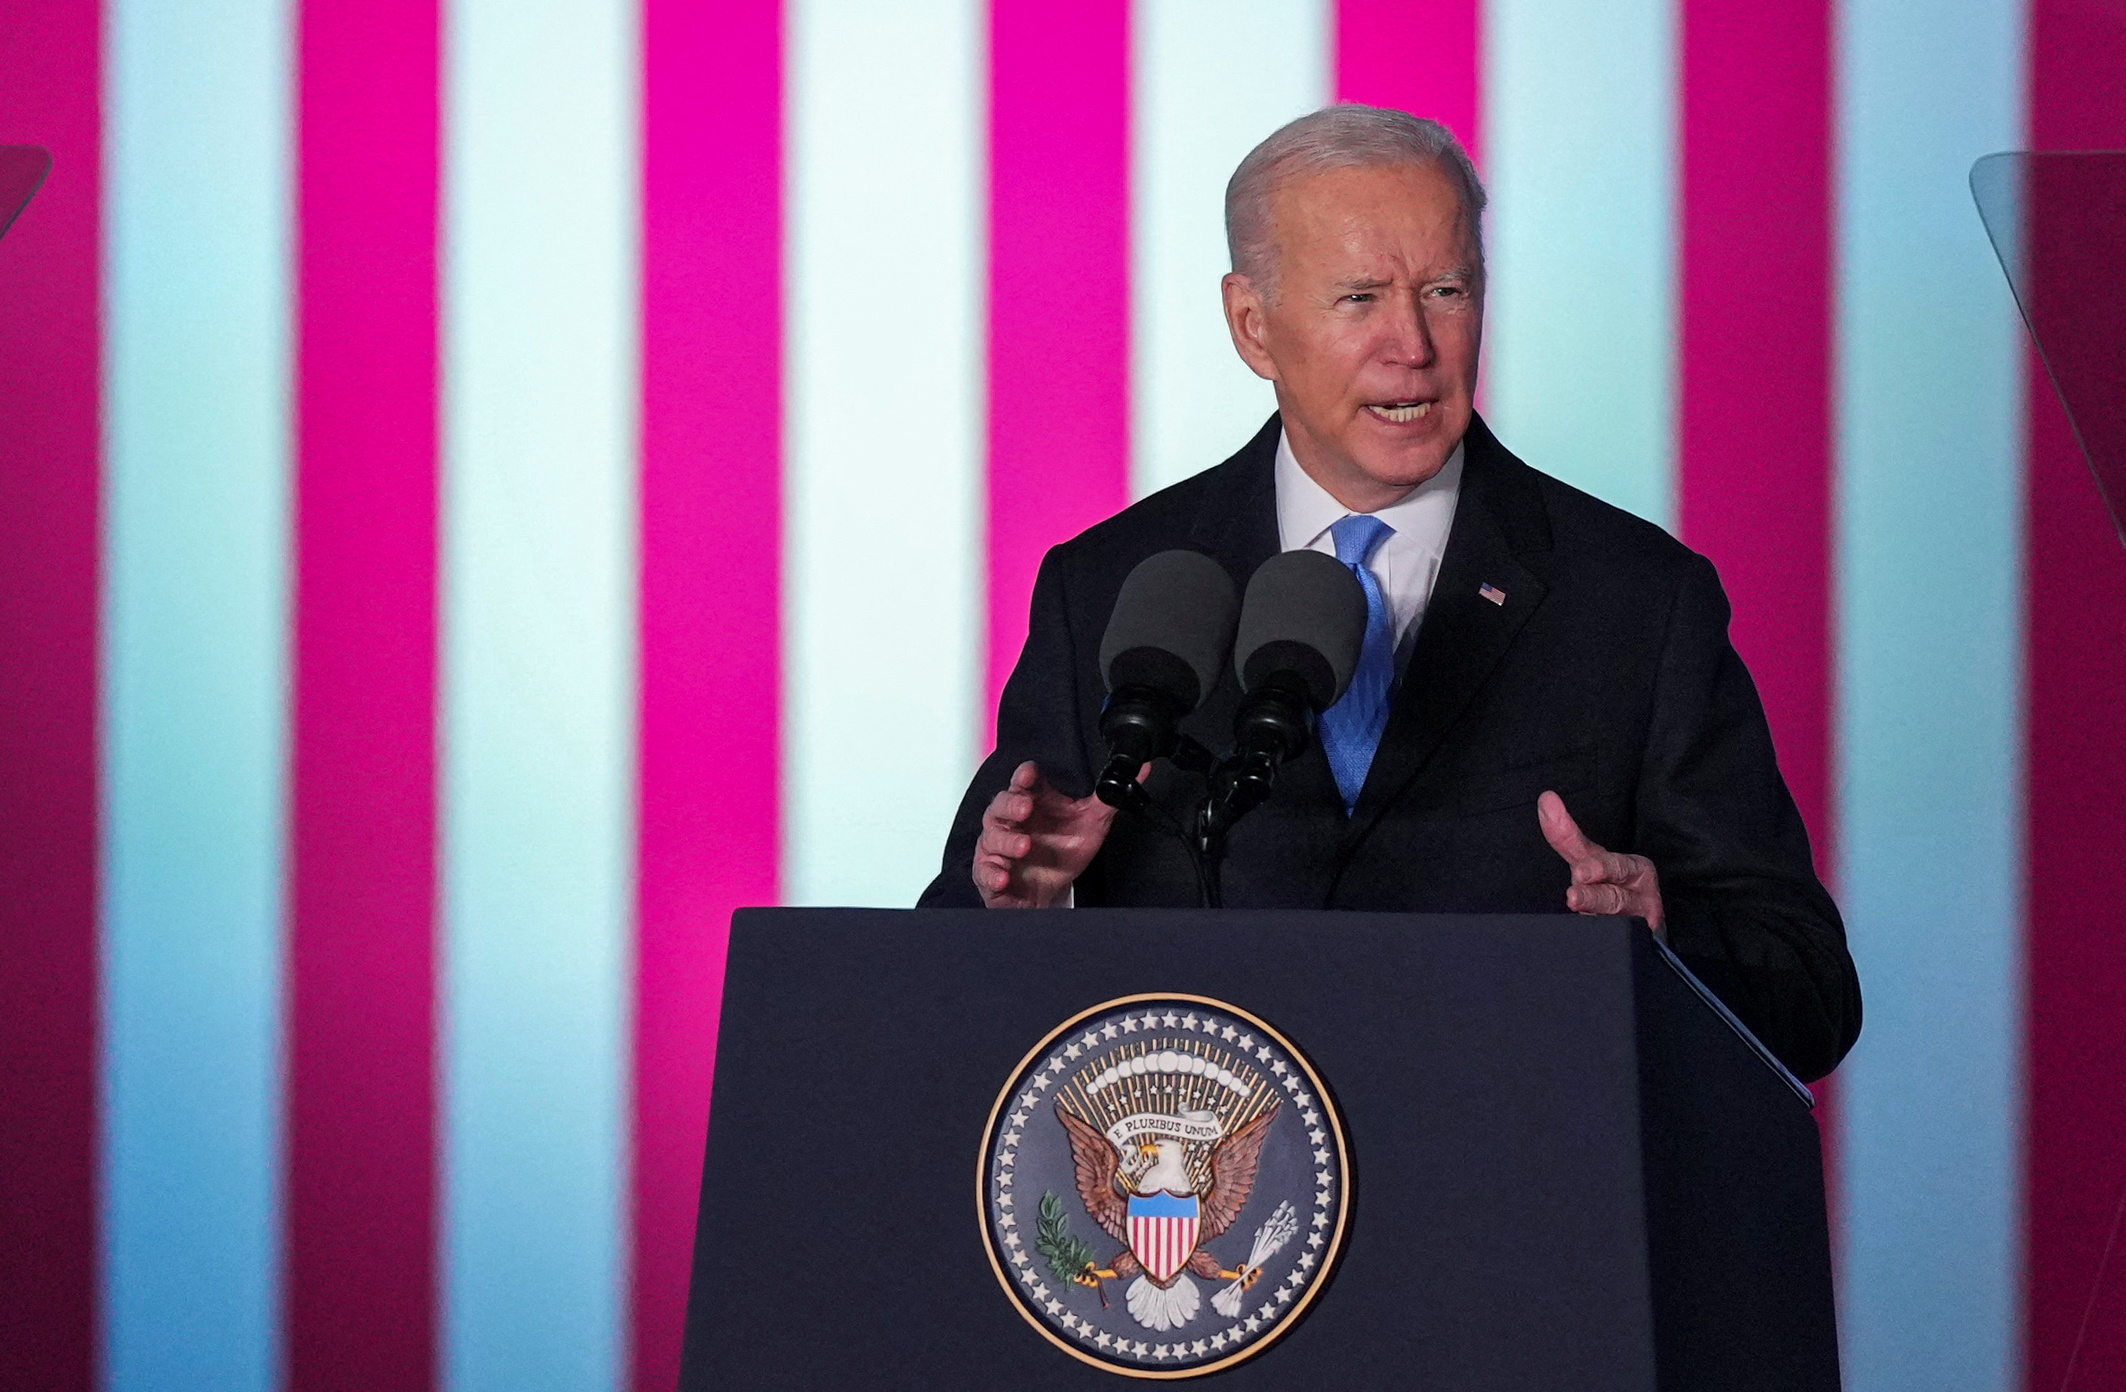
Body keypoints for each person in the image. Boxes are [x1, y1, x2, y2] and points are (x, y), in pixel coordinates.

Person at [917, 105, 1860, 1083]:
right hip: (1217, 1221)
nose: (1411, 345)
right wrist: (1027, 915)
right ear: (1251, 325)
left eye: (1444, 290)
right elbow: (942, 971)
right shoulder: (1113, 588)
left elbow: (1807, 990)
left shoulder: (1634, 600)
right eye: (1359, 298)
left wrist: (1658, 933)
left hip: (1519, 1203)